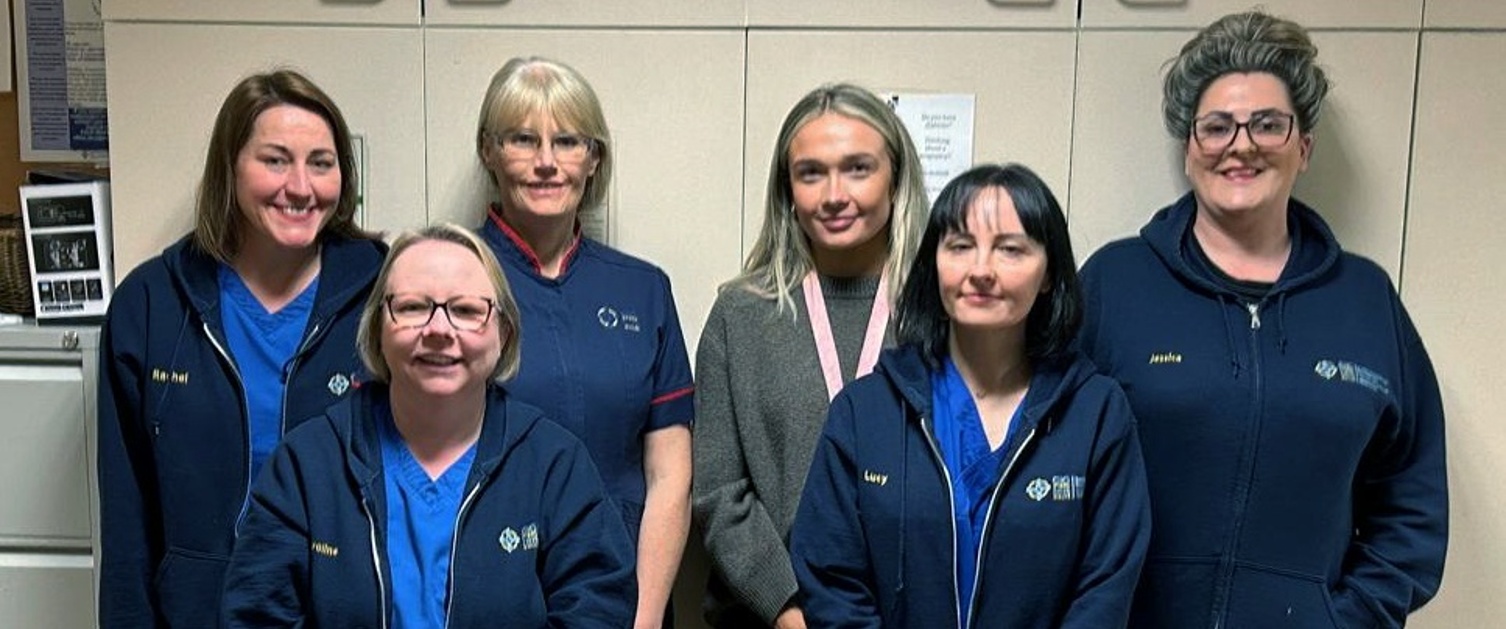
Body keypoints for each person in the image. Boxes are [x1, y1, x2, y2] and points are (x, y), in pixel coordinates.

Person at [1077, 10, 1448, 627]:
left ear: (1303, 147)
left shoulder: (1365, 300)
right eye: (1217, 127)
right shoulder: (1115, 283)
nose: (1241, 145)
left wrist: (1345, 618)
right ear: (1190, 148)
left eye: (1267, 125)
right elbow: (1046, 465)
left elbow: (1411, 501)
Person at [220, 224, 637, 627]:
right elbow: (258, 614)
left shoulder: (554, 466)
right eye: (413, 307)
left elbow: (596, 608)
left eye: (466, 311)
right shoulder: (306, 465)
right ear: (378, 328)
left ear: (504, 334)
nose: (439, 330)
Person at [789, 163, 1150, 628]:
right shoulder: (866, 411)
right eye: (960, 246)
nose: (981, 270)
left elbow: (1106, 586)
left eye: (1010, 250)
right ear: (934, 264)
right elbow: (831, 577)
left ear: (1047, 274)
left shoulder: (1096, 413)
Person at [97, 69, 386, 628]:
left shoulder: (387, 297)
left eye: (321, 163)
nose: (300, 186)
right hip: (198, 612)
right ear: (229, 168)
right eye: (275, 160)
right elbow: (126, 521)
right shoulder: (151, 306)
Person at [692, 83, 929, 628]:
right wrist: (786, 610)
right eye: (811, 173)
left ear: (896, 179)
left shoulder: (941, 313)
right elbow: (720, 493)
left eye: (858, 168)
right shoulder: (742, 315)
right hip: (770, 618)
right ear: (787, 190)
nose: (833, 195)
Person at [473, 56, 692, 629]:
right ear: (489, 151)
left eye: (568, 141)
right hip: (486, 590)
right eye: (524, 139)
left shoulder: (643, 289)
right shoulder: (447, 277)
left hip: (625, 594)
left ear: (593, 158)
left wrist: (643, 619)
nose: (547, 162)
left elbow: (669, 475)